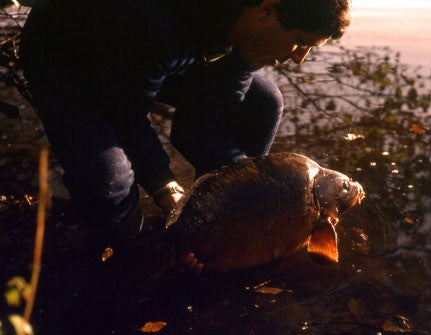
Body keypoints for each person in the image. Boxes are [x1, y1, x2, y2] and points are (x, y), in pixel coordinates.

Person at [19, 0, 351, 269]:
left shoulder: (243, 22)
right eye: (301, 42)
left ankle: (236, 226)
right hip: (70, 58)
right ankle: (123, 262)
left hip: (154, 54)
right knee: (112, 187)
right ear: (267, 10)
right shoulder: (156, 26)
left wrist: (252, 187)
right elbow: (126, 117)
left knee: (263, 102)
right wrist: (166, 189)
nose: (299, 58)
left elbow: (198, 127)